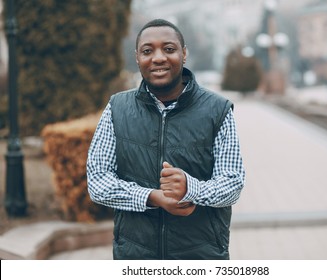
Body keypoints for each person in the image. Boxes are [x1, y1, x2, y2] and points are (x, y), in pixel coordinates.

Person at [87, 18, 245, 260]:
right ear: (138, 57)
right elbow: (98, 182)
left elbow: (232, 183)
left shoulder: (218, 110)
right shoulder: (117, 108)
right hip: (135, 256)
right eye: (147, 51)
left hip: (201, 256)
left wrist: (191, 188)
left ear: (184, 54)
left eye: (169, 49)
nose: (158, 57)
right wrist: (153, 197)